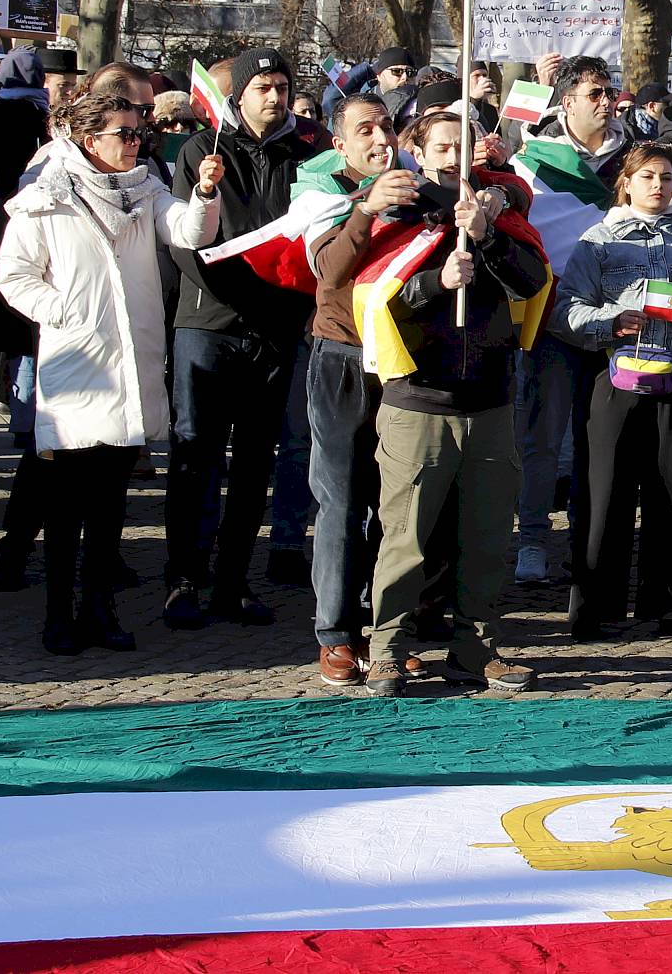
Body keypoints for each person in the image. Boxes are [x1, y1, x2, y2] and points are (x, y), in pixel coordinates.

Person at [0, 94, 222, 654]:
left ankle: (100, 607)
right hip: (77, 365)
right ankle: (58, 614)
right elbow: (14, 275)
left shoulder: (146, 189)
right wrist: (66, 313)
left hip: (132, 363)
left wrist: (206, 192)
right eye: (122, 133)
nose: (135, 142)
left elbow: (191, 232)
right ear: (89, 139)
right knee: (66, 501)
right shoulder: (47, 196)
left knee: (110, 502)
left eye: (137, 132)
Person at [356, 110, 548, 695]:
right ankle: (387, 647)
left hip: (489, 399)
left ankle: (475, 648)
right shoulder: (396, 213)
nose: (451, 158)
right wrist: (436, 282)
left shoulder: (499, 212)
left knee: (487, 538)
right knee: (406, 537)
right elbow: (375, 295)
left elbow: (532, 280)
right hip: (419, 402)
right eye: (440, 147)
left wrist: (487, 240)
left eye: (462, 148)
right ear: (418, 151)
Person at [161, 47, 319, 631]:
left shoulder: (311, 152)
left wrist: (289, 303)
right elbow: (185, 242)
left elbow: (315, 233)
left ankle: (232, 579)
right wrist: (243, 298)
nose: (275, 97)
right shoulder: (202, 150)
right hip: (209, 323)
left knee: (256, 460)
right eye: (262, 88)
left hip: (277, 328)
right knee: (196, 452)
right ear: (239, 95)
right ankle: (183, 578)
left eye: (282, 87)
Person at [555, 142, 672, 644]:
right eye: (648, 177)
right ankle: (595, 607)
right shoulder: (599, 239)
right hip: (614, 382)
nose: (658, 185)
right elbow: (565, 311)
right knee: (604, 494)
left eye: (666, 177)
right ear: (626, 183)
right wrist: (611, 321)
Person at [514, 55, 643, 583]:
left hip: (622, 322)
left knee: (605, 439)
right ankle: (532, 540)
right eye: (593, 93)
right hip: (557, 320)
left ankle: (593, 543)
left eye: (608, 91)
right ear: (565, 101)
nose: (606, 101)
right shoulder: (532, 162)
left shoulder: (634, 160)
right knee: (543, 438)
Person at [298, 93, 406, 685]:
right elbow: (330, 271)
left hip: (404, 361)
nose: (379, 138)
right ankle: (335, 632)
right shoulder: (321, 196)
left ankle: (388, 630)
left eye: (387, 126)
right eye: (364, 129)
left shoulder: (417, 191)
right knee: (341, 499)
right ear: (339, 144)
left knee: (396, 503)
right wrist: (367, 208)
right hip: (341, 357)